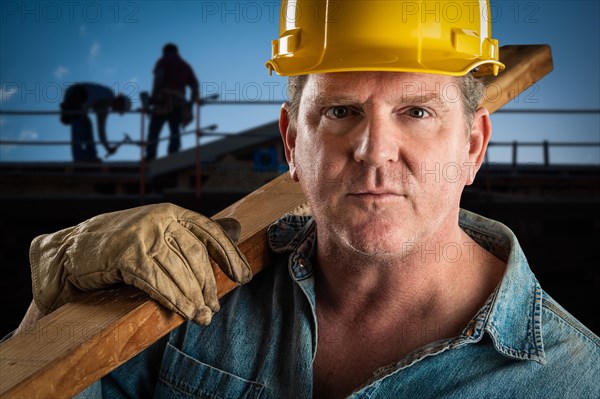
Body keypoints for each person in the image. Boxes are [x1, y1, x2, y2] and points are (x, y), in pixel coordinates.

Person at [19, 1, 599, 398]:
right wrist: (62, 299)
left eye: (416, 112)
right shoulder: (186, 300)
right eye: (341, 111)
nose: (374, 151)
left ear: (473, 144)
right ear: (293, 141)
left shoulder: (573, 380)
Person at [145, 43, 199, 161]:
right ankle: (173, 156)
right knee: (175, 130)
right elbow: (195, 85)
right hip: (179, 102)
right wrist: (190, 104)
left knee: (154, 131)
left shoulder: (163, 60)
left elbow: (159, 76)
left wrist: (153, 97)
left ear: (165, 51)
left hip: (162, 100)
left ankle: (150, 157)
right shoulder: (185, 65)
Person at [60, 83, 131, 162]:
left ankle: (91, 156)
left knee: (86, 122)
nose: (117, 111)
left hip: (78, 96)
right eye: (120, 109)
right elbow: (91, 95)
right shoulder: (108, 95)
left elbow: (101, 132)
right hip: (76, 92)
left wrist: (107, 148)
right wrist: (82, 111)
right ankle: (80, 158)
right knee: (79, 121)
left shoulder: (105, 107)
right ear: (119, 102)